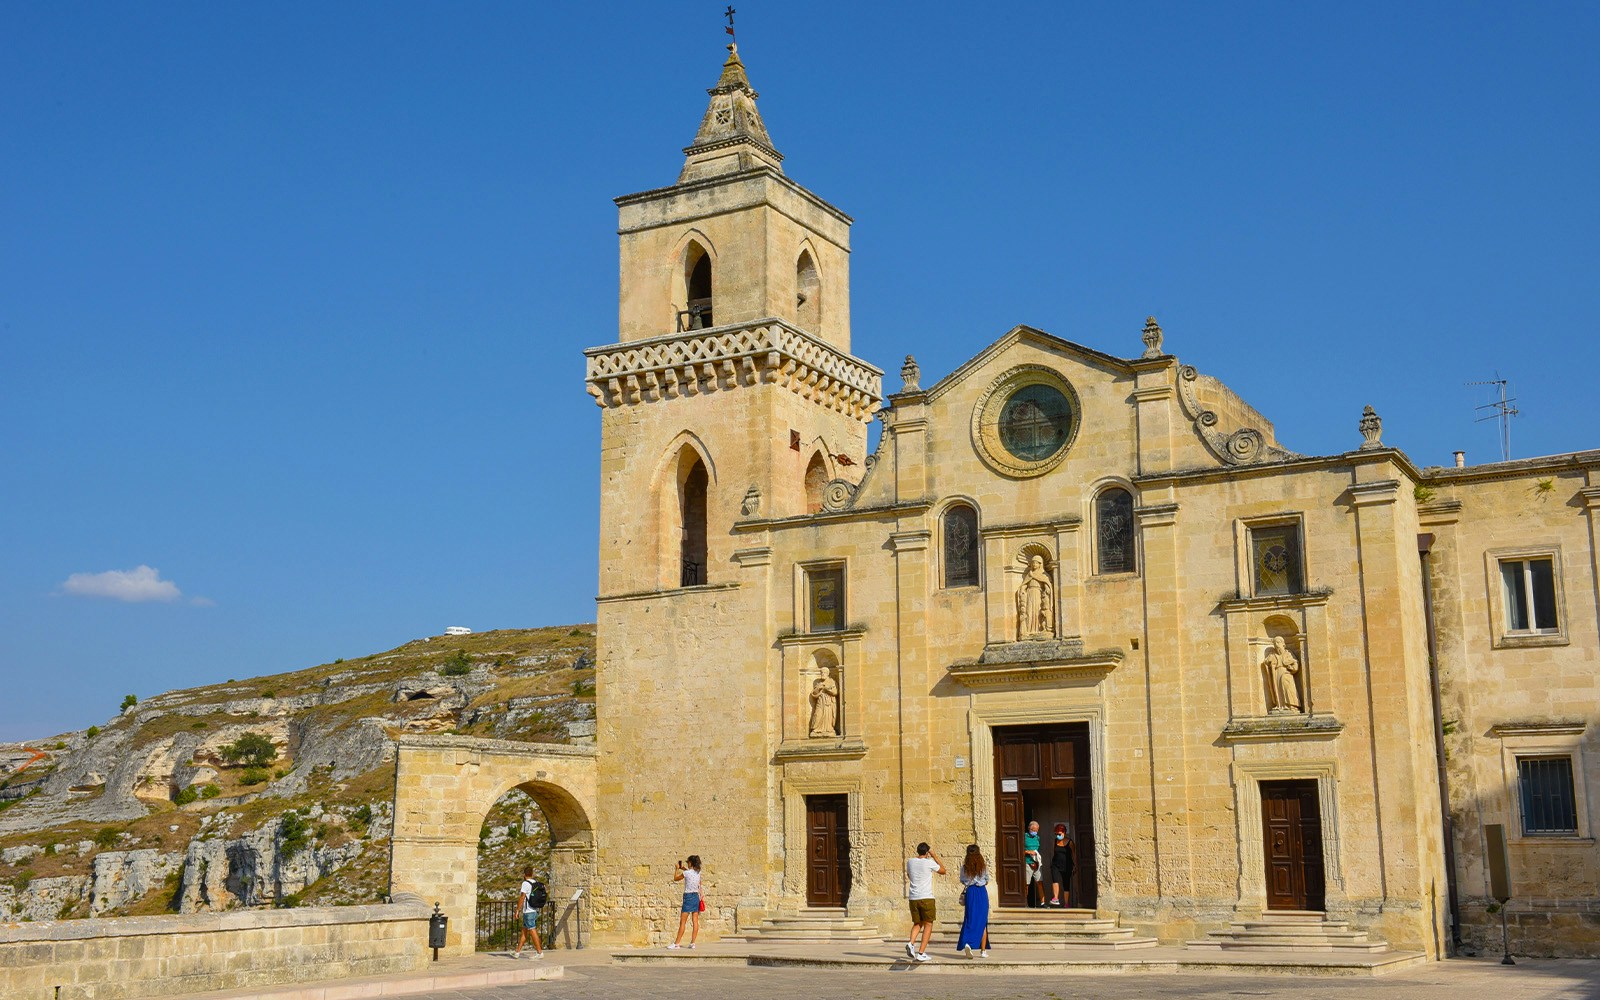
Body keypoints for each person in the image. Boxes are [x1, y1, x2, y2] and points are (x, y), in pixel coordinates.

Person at [903, 842, 945, 962]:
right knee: (928, 924)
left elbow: (909, 875)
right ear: (927, 852)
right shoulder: (929, 862)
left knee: (918, 923)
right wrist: (935, 856)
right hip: (926, 897)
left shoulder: (910, 862)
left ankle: (911, 943)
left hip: (913, 898)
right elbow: (943, 870)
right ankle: (921, 953)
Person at [955, 844, 991, 959]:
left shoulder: (965, 867)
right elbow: (987, 880)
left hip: (971, 892)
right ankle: (983, 950)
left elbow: (962, 880)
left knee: (970, 918)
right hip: (981, 892)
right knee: (982, 920)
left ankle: (967, 943)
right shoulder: (983, 866)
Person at [668, 855, 703, 949]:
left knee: (683, 922)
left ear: (690, 863)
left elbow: (676, 878)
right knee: (695, 921)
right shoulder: (698, 872)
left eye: (688, 862)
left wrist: (676, 869)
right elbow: (690, 872)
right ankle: (693, 943)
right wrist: (683, 868)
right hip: (696, 896)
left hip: (688, 897)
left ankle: (676, 943)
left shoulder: (687, 873)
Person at [512, 866, 545, 960]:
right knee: (524, 931)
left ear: (524, 874)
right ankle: (517, 952)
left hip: (528, 911)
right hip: (534, 910)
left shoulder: (525, 884)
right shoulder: (535, 882)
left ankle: (539, 952)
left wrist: (517, 910)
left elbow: (522, 897)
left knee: (532, 930)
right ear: (532, 873)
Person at [1047, 824, 1075, 908]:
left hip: (1067, 865)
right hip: (1056, 864)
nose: (1058, 836)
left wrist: (1075, 865)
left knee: (1066, 883)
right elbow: (1053, 852)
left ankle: (1066, 904)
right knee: (1055, 880)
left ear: (1064, 833)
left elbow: (1074, 854)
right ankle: (1055, 898)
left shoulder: (1070, 842)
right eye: (1056, 834)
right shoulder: (1055, 841)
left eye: (1059, 834)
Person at [1023, 820, 1044, 907]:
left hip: (1036, 863)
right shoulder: (1024, 836)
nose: (1035, 832)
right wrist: (1028, 852)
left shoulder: (1037, 838)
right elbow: (1018, 849)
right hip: (1027, 863)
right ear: (1029, 828)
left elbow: (1037, 850)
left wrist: (1036, 861)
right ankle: (1025, 903)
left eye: (1036, 830)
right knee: (1026, 884)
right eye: (1033, 830)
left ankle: (1043, 903)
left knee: (1040, 882)